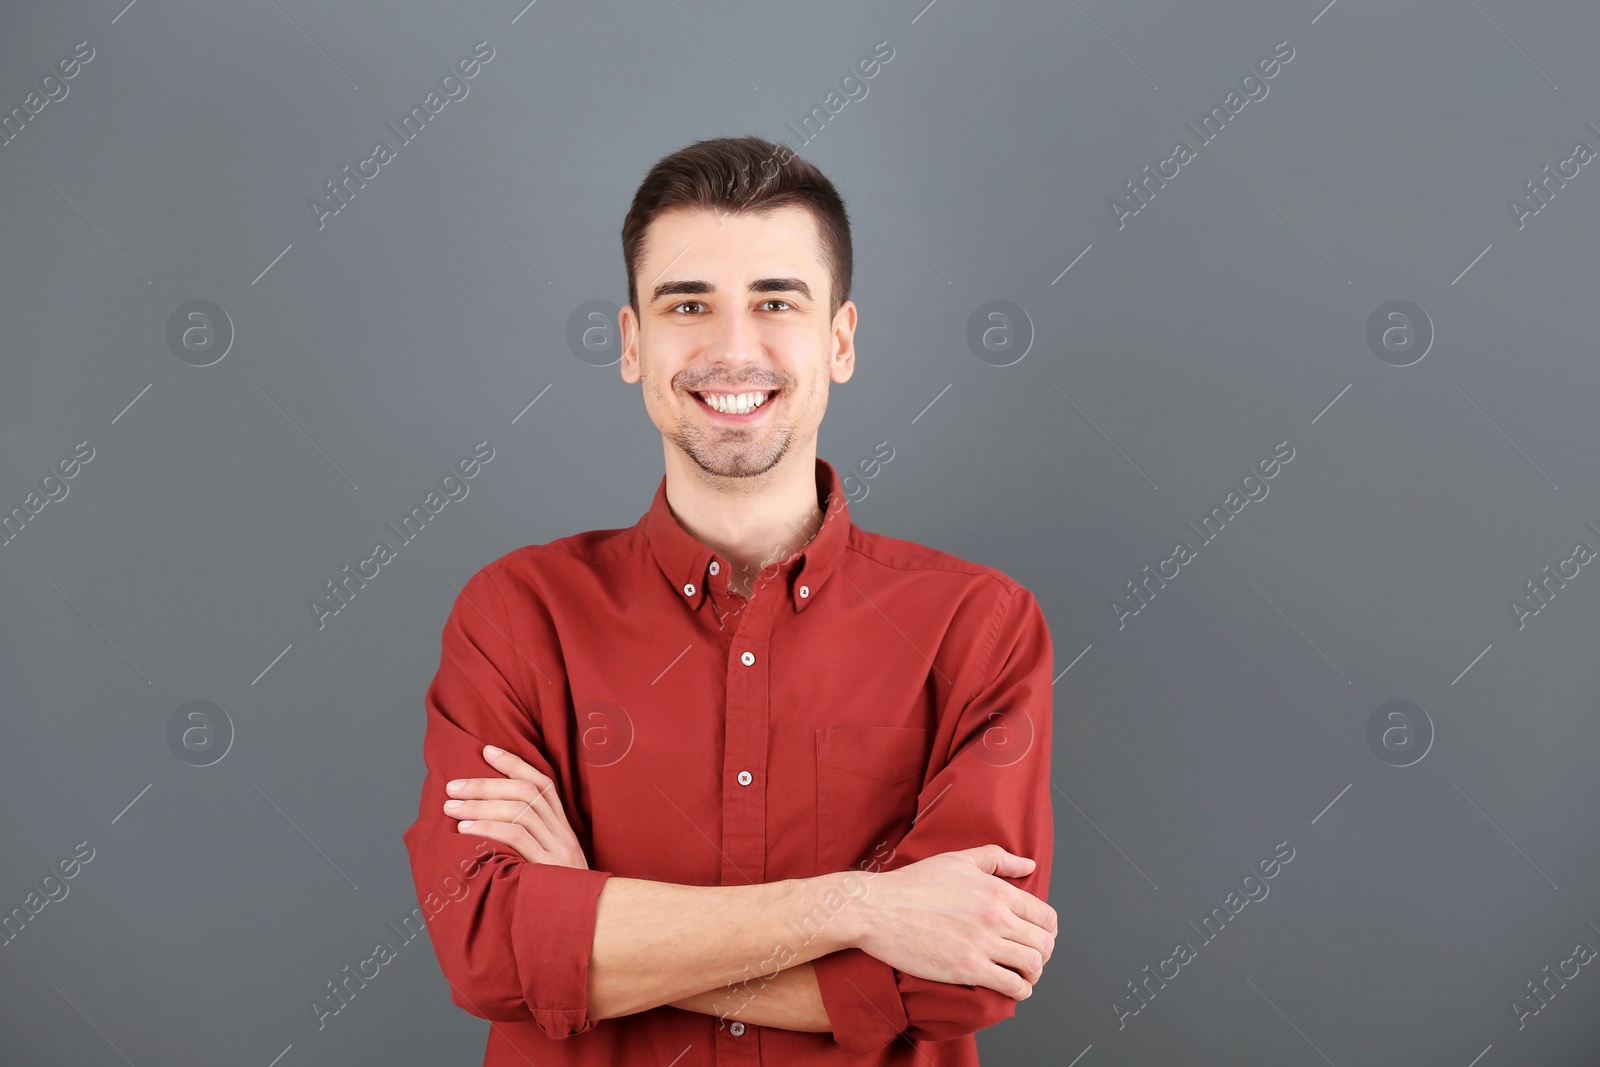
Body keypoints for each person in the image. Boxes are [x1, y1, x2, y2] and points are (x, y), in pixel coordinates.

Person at [401, 135, 1057, 1065]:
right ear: (633, 344)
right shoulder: (516, 616)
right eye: (688, 303)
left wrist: (582, 912)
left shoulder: (978, 629)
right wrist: (861, 908)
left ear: (840, 340)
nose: (732, 347)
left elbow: (956, 979)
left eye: (776, 302)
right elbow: (484, 949)